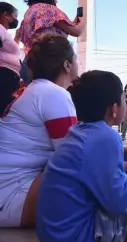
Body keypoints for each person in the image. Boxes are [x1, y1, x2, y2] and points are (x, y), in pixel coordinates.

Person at [36, 70, 127, 242]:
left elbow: (95, 168)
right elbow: (119, 201)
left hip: (54, 235)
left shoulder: (78, 131)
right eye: (123, 98)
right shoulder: (106, 137)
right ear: (114, 109)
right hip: (78, 240)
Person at [0, 34, 78, 227]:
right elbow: (74, 157)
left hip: (9, 189)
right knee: (94, 179)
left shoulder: (36, 90)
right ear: (67, 65)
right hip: (10, 196)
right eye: (75, 59)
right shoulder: (54, 94)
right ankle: (115, 233)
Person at [15, 0, 85, 85]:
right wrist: (83, 21)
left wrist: (74, 22)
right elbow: (76, 31)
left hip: (32, 60)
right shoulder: (49, 10)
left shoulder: (30, 12)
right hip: (52, 60)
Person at [0, 2, 20, 115]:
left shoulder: (4, 32)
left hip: (7, 75)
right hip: (4, 75)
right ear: (6, 15)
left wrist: (16, 39)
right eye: (15, 16)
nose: (16, 19)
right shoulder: (0, 28)